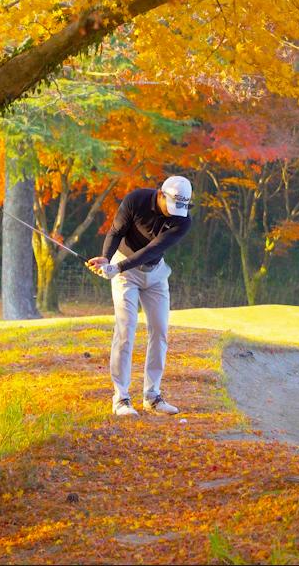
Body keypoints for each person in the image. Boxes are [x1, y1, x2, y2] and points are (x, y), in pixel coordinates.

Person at [87, 175, 193, 417]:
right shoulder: (136, 200)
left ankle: (152, 396)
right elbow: (116, 231)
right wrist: (107, 258)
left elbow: (153, 249)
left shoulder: (183, 221)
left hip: (154, 273)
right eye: (172, 206)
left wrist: (117, 268)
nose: (175, 213)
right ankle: (121, 398)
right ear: (161, 194)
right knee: (126, 329)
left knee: (160, 330)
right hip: (125, 272)